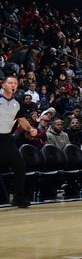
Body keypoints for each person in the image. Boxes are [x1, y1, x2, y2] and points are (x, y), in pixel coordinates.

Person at [0, 74, 37, 207]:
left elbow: (21, 120)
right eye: (10, 83)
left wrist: (30, 129)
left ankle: (18, 198)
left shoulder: (17, 103)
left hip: (7, 138)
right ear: (3, 85)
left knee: (20, 166)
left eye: (15, 83)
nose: (13, 85)